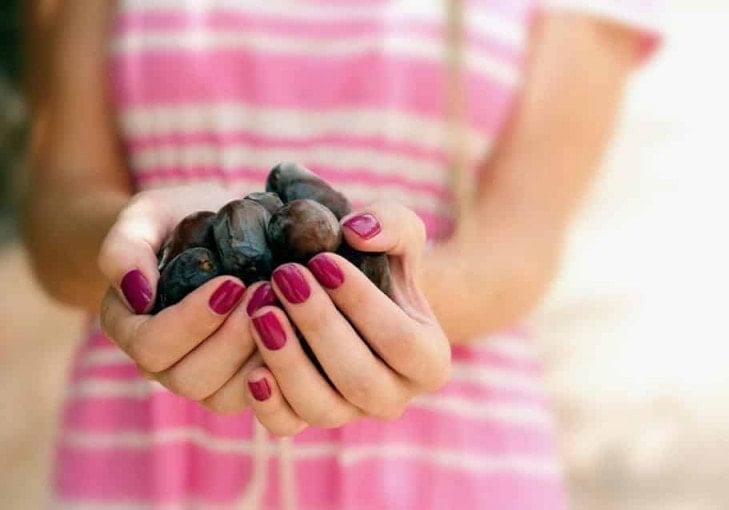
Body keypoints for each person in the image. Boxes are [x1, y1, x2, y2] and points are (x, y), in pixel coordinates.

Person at [24, 0, 658, 508]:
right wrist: (133, 252)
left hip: (444, 466)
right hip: (139, 456)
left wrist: (385, 292)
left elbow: (523, 240)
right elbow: (57, 209)